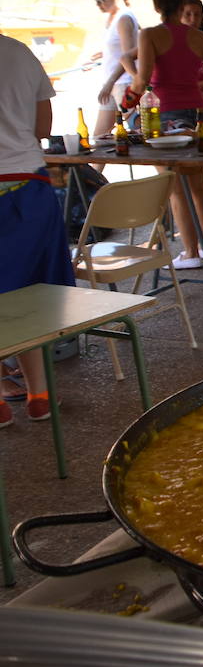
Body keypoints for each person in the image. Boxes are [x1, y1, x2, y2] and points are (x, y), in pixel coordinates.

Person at [127, 0, 203, 271]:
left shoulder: (149, 35)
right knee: (199, 186)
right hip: (199, 115)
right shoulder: (200, 39)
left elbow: (142, 79)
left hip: (166, 118)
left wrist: (126, 101)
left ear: (158, 4)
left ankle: (189, 252)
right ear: (180, 4)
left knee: (176, 190)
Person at [0, 33, 68, 425]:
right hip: (28, 185)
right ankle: (39, 396)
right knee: (34, 295)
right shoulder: (20, 53)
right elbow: (43, 125)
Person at [90, 0, 139, 150]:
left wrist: (110, 82)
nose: (98, 4)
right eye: (95, 0)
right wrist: (104, 54)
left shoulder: (124, 18)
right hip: (113, 84)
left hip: (123, 84)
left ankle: (168, 176)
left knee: (141, 135)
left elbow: (128, 55)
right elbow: (120, 49)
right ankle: (92, 177)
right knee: (100, 140)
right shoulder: (113, 18)